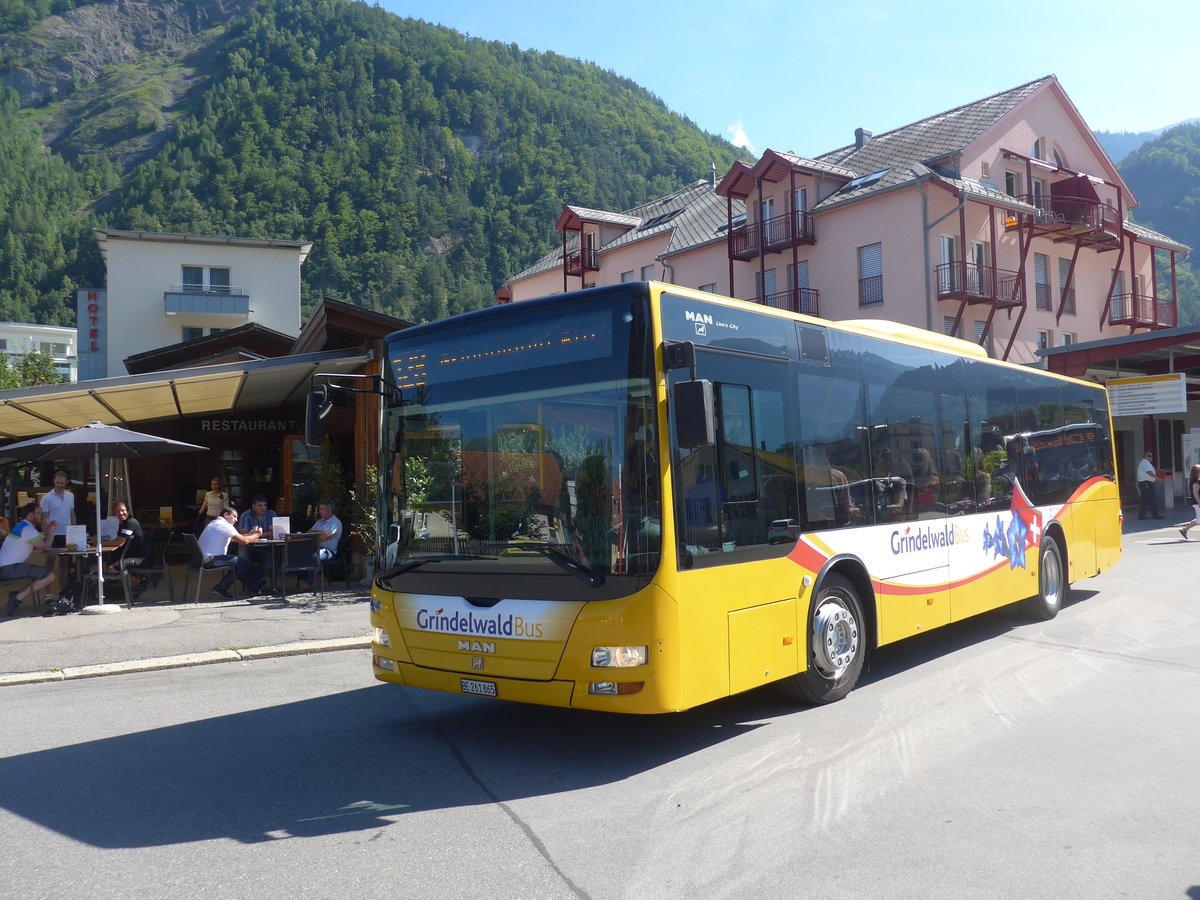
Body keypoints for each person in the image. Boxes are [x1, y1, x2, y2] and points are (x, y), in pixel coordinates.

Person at [2, 502, 58, 616]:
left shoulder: (21, 526)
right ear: (30, 515)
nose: (41, 517)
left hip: (6, 567)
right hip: (10, 568)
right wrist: (51, 530)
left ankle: (16, 597)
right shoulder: (28, 530)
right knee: (49, 575)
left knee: (40, 574)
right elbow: (45, 547)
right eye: (39, 514)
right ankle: (17, 597)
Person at [198, 506, 263, 601]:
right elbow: (243, 541)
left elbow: (234, 538)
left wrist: (249, 535)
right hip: (212, 560)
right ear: (226, 515)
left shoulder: (215, 523)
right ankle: (221, 587)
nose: (236, 520)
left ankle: (253, 585)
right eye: (234, 516)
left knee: (238, 563)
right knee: (245, 563)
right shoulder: (224, 525)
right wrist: (257, 535)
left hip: (204, 559)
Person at [100, 501, 147, 597]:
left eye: (123, 510)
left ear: (128, 511)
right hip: (132, 555)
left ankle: (138, 581)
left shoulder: (130, 523)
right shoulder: (123, 523)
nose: (121, 513)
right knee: (108, 562)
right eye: (118, 512)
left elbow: (119, 542)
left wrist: (101, 544)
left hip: (142, 558)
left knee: (110, 569)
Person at [299, 500, 342, 590]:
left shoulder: (335, 523)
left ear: (329, 510)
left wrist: (318, 534)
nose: (319, 511)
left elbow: (323, 538)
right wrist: (321, 532)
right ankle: (302, 580)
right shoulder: (320, 522)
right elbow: (308, 532)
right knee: (299, 554)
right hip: (315, 547)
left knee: (314, 556)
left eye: (321, 509)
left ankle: (310, 583)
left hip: (329, 550)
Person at [41, 469, 76, 580]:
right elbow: (44, 518)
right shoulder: (47, 497)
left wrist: (74, 531)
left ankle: (63, 591)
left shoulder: (70, 496)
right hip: (53, 534)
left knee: (64, 564)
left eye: (61, 483)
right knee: (49, 563)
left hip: (66, 534)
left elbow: (72, 514)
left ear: (66, 482)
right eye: (57, 483)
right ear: (54, 481)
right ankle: (47, 593)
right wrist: (47, 535)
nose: (59, 485)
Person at [238, 495, 277, 586]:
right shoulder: (246, 515)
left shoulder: (271, 514)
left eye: (265, 505)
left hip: (265, 546)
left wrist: (256, 534)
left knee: (269, 563)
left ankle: (251, 582)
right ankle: (253, 583)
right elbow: (243, 533)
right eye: (260, 505)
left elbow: (274, 532)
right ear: (253, 506)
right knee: (242, 563)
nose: (263, 508)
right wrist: (263, 534)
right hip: (247, 545)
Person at [1137, 451, 1163, 519]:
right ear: (1145, 457)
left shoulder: (1146, 463)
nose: (1151, 457)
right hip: (1146, 483)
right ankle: (1155, 515)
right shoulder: (1144, 463)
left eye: (1151, 456)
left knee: (1145, 500)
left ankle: (1141, 515)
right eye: (1149, 456)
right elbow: (1149, 472)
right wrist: (1157, 478)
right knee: (1152, 499)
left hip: (1144, 483)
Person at [1179, 464, 1200, 540]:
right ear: (1197, 472)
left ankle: (1184, 530)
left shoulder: (1195, 480)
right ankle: (1184, 530)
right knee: (1199, 519)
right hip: (1197, 502)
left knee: (1199, 518)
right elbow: (1195, 493)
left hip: (1196, 502)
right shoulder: (1196, 481)